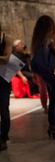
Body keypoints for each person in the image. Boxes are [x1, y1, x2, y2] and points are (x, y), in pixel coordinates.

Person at [31, 15, 55, 139]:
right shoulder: (48, 41)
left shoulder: (38, 42)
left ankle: (53, 127)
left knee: (53, 100)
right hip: (50, 73)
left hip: (46, 73)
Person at [0, 23, 12, 151]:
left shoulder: (6, 39)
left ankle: (3, 138)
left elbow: (6, 58)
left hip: (3, 80)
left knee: (4, 110)